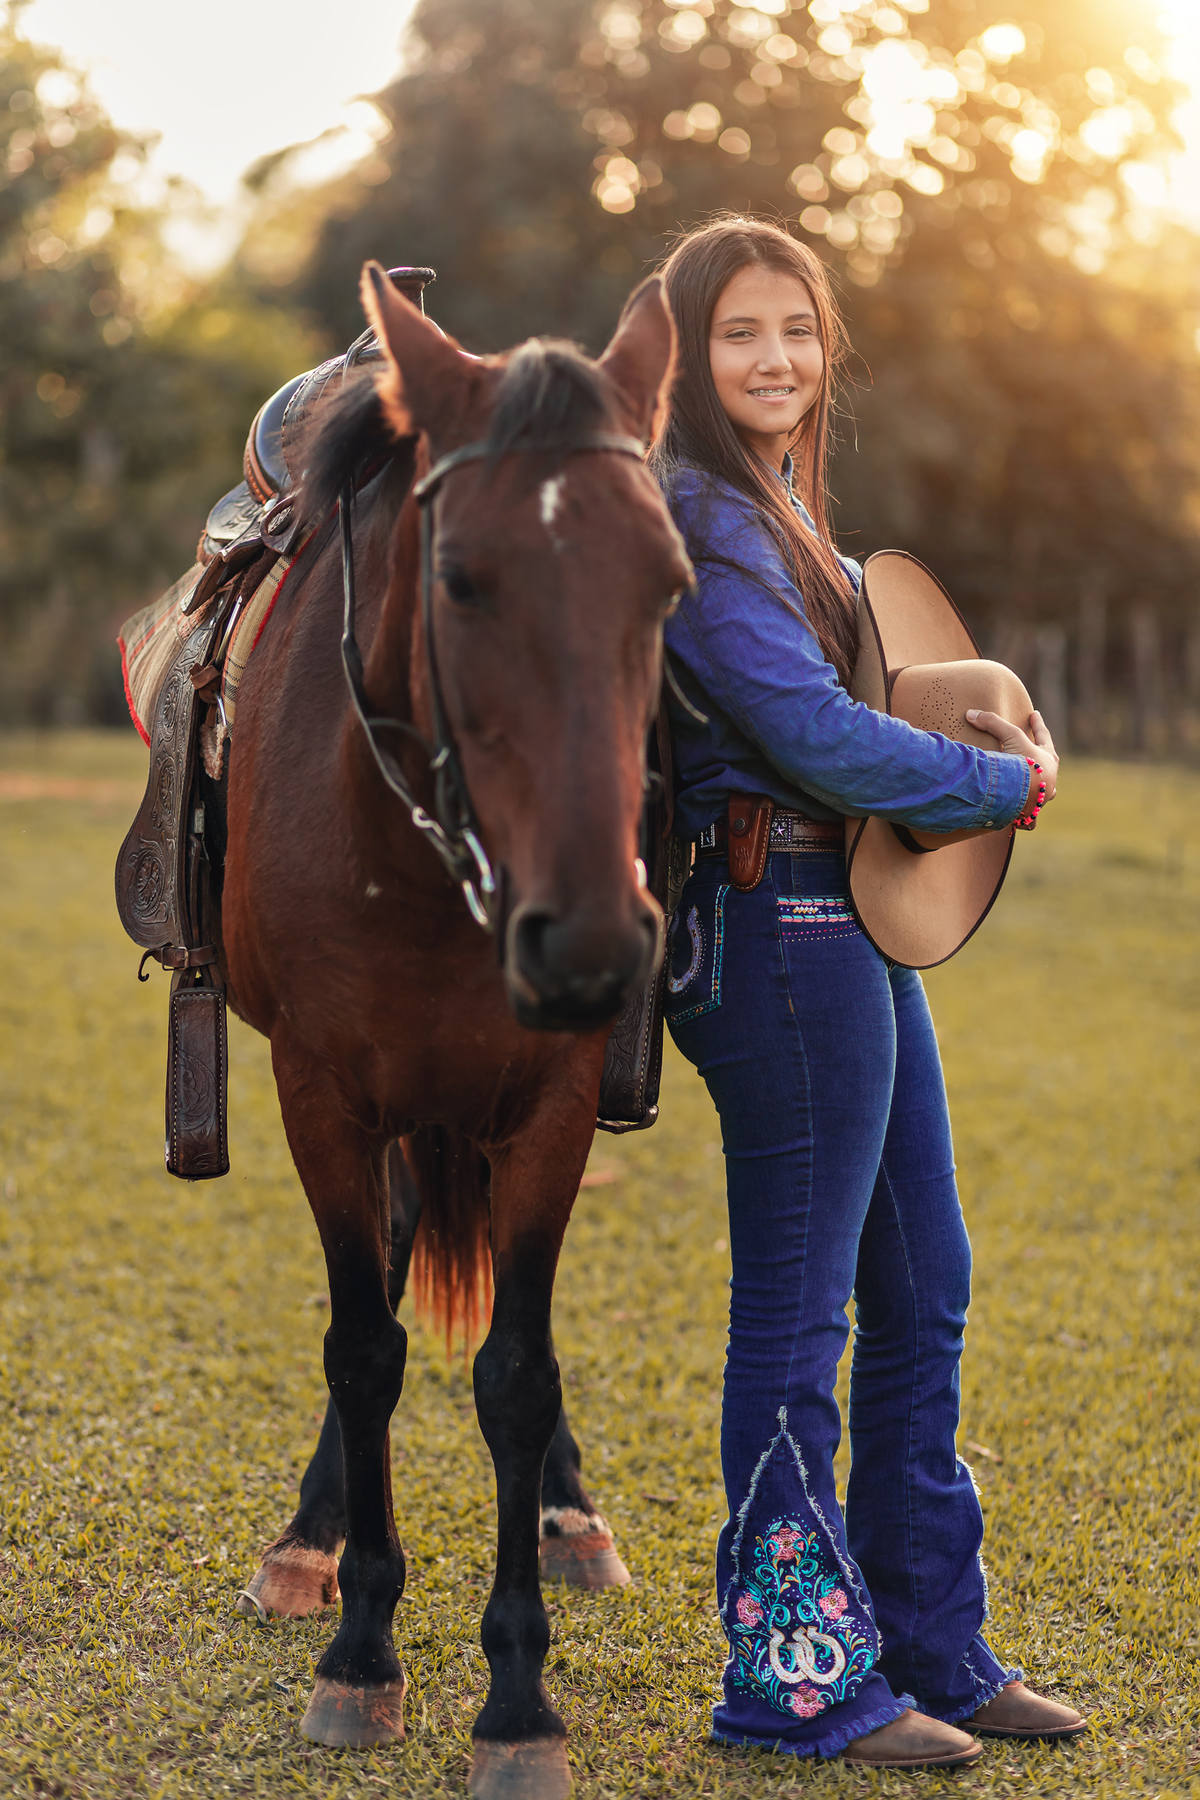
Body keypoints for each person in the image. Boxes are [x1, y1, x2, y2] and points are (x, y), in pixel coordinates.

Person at [652, 217, 1083, 1770]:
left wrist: (965, 705)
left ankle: (930, 1643)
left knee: (929, 1281)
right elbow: (806, 734)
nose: (775, 359)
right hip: (772, 927)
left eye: (797, 329)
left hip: (852, 920)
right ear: (690, 359)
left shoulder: (782, 510)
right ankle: (791, 1673)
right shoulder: (696, 517)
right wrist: (998, 784)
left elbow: (855, 683)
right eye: (738, 335)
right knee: (802, 1302)